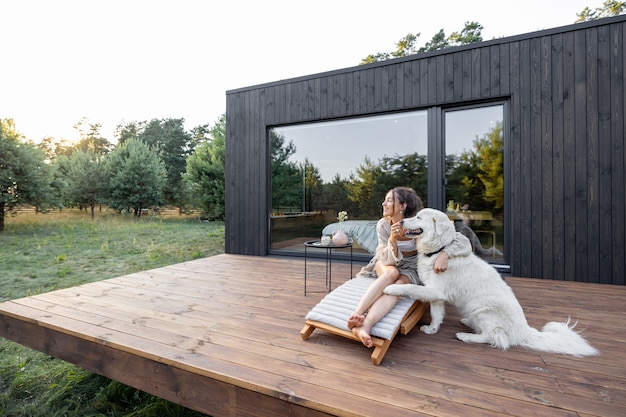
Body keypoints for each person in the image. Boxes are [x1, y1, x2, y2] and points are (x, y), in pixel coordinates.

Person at [347, 186, 472, 348]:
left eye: (389, 200)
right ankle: (357, 314)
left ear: (402, 206)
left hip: (413, 266)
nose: (383, 204)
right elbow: (385, 258)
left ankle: (366, 325)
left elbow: (462, 240)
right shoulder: (383, 225)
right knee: (390, 274)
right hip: (389, 262)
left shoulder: (419, 223)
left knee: (399, 286)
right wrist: (393, 239)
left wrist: (444, 254)